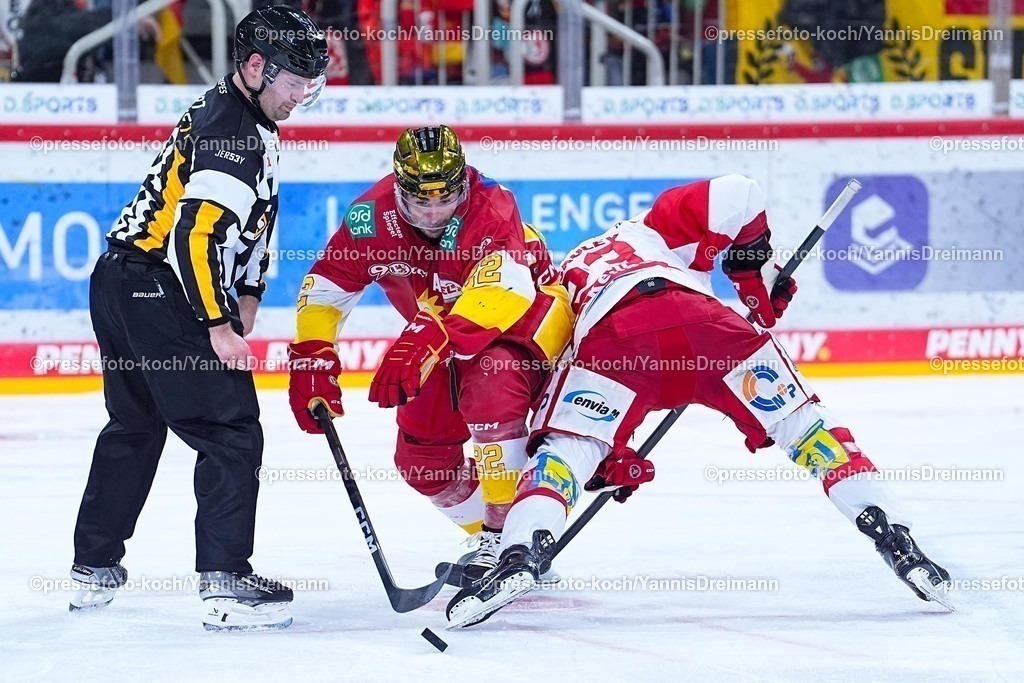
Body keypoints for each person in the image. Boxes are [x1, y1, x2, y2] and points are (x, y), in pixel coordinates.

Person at [446, 174, 952, 628]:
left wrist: (610, 460)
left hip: (618, 340)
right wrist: (753, 277)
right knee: (807, 429)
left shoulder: (558, 286)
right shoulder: (649, 229)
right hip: (711, 330)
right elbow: (741, 192)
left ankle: (521, 552)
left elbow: (563, 392)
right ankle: (895, 536)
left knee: (565, 451)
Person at [69, 5, 328, 631]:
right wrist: (217, 324)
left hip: (120, 280)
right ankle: (226, 582)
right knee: (230, 430)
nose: (301, 96)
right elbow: (195, 234)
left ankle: (93, 566)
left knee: (135, 424)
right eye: (294, 81)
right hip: (162, 288)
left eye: (309, 84)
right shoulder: (235, 133)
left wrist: (250, 292)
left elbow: (248, 222)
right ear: (256, 67)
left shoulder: (234, 113)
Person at [287, 125, 573, 584]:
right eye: (422, 202)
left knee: (491, 383)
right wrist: (312, 357)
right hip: (441, 329)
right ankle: (507, 539)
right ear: (399, 188)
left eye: (447, 199)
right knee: (422, 460)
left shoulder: (492, 205)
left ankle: (505, 541)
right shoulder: (369, 218)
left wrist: (426, 338)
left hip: (526, 319)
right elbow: (329, 284)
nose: (436, 213)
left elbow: (504, 291)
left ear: (463, 185)